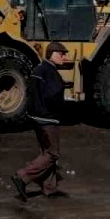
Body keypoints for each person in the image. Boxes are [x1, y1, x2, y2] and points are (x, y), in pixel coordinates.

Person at [11, 42, 69, 201]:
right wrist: (60, 108)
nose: (65, 57)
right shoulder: (51, 72)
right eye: (61, 54)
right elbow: (53, 96)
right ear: (51, 54)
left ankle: (49, 188)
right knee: (52, 153)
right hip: (48, 119)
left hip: (37, 118)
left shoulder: (37, 70)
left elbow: (30, 93)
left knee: (45, 152)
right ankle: (22, 177)